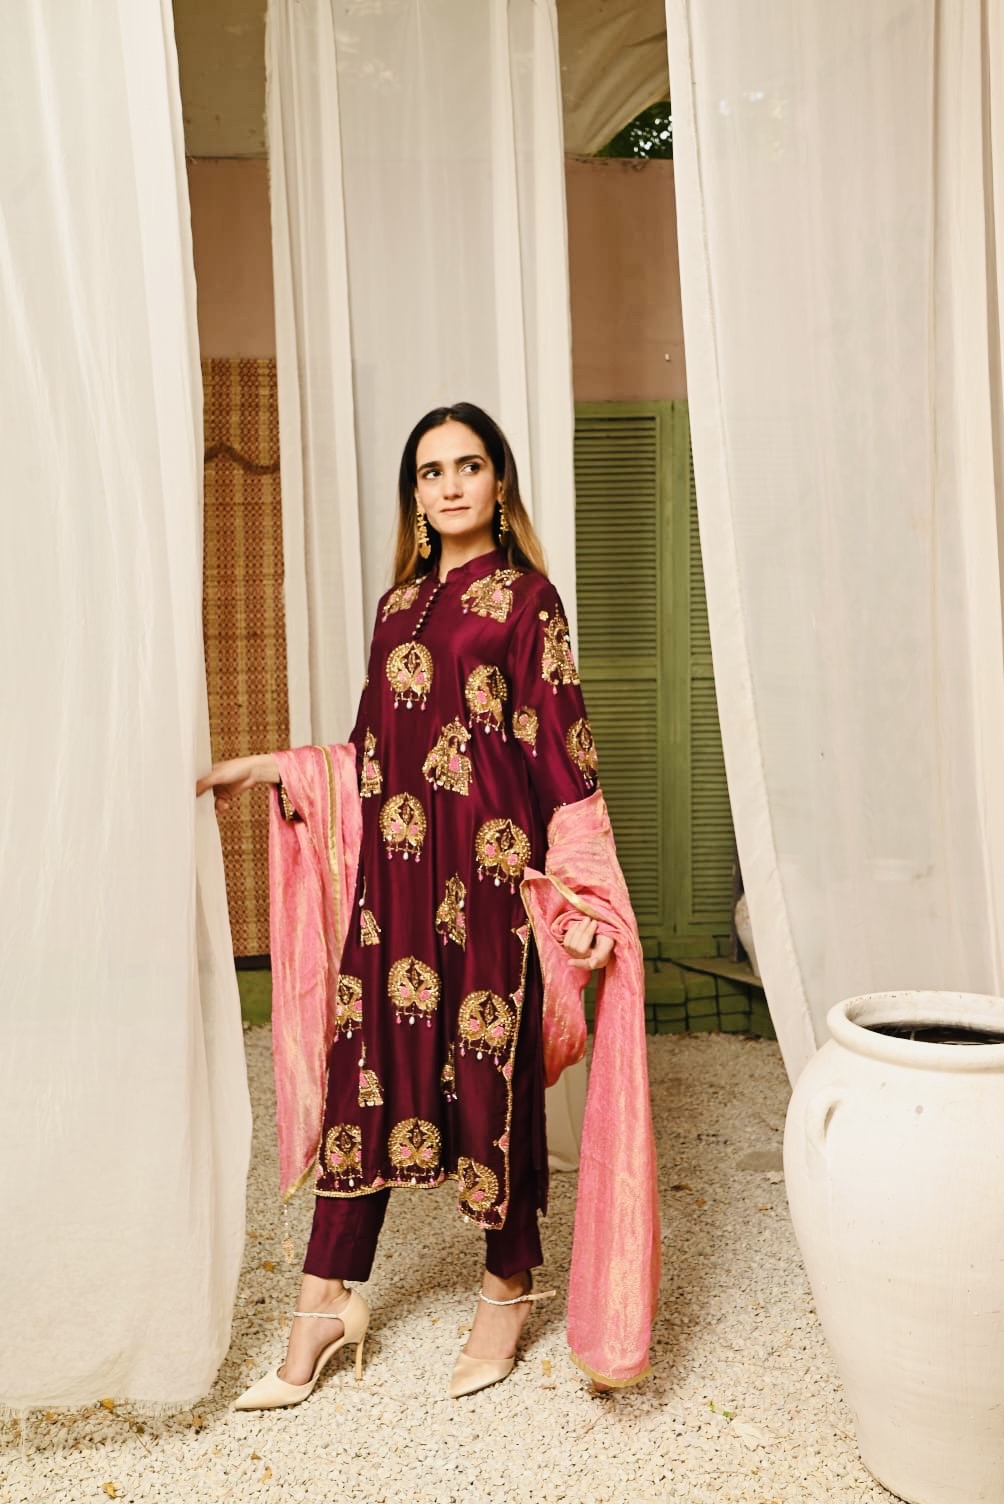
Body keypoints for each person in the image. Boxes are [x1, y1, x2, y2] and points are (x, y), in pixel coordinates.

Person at [198, 402, 620, 1407]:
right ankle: (323, 1304)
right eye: (431, 471)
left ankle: (507, 1285)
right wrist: (275, 765)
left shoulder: (528, 601)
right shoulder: (397, 607)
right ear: (415, 496)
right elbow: (369, 756)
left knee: (489, 1086)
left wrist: (581, 896)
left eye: (468, 465)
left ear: (499, 482)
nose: (450, 485)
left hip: (490, 886)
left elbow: (563, 750)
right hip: (392, 894)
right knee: (366, 1085)